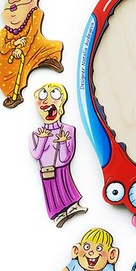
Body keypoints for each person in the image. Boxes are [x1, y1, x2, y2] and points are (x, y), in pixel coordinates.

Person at [0, 0, 63, 109]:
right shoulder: (4, 32)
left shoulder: (35, 14)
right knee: (4, 69)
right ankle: (13, 94)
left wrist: (22, 48)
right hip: (12, 56)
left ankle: (48, 59)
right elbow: (3, 47)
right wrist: (15, 45)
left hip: (33, 46)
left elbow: (32, 35)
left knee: (53, 47)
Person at [29, 83, 86, 227]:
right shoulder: (35, 134)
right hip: (45, 171)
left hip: (62, 169)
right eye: (43, 96)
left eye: (54, 94)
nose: (47, 99)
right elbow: (36, 154)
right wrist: (42, 139)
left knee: (66, 187)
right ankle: (59, 214)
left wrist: (62, 143)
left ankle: (73, 206)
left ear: (61, 104)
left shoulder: (68, 130)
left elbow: (65, 158)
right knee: (51, 192)